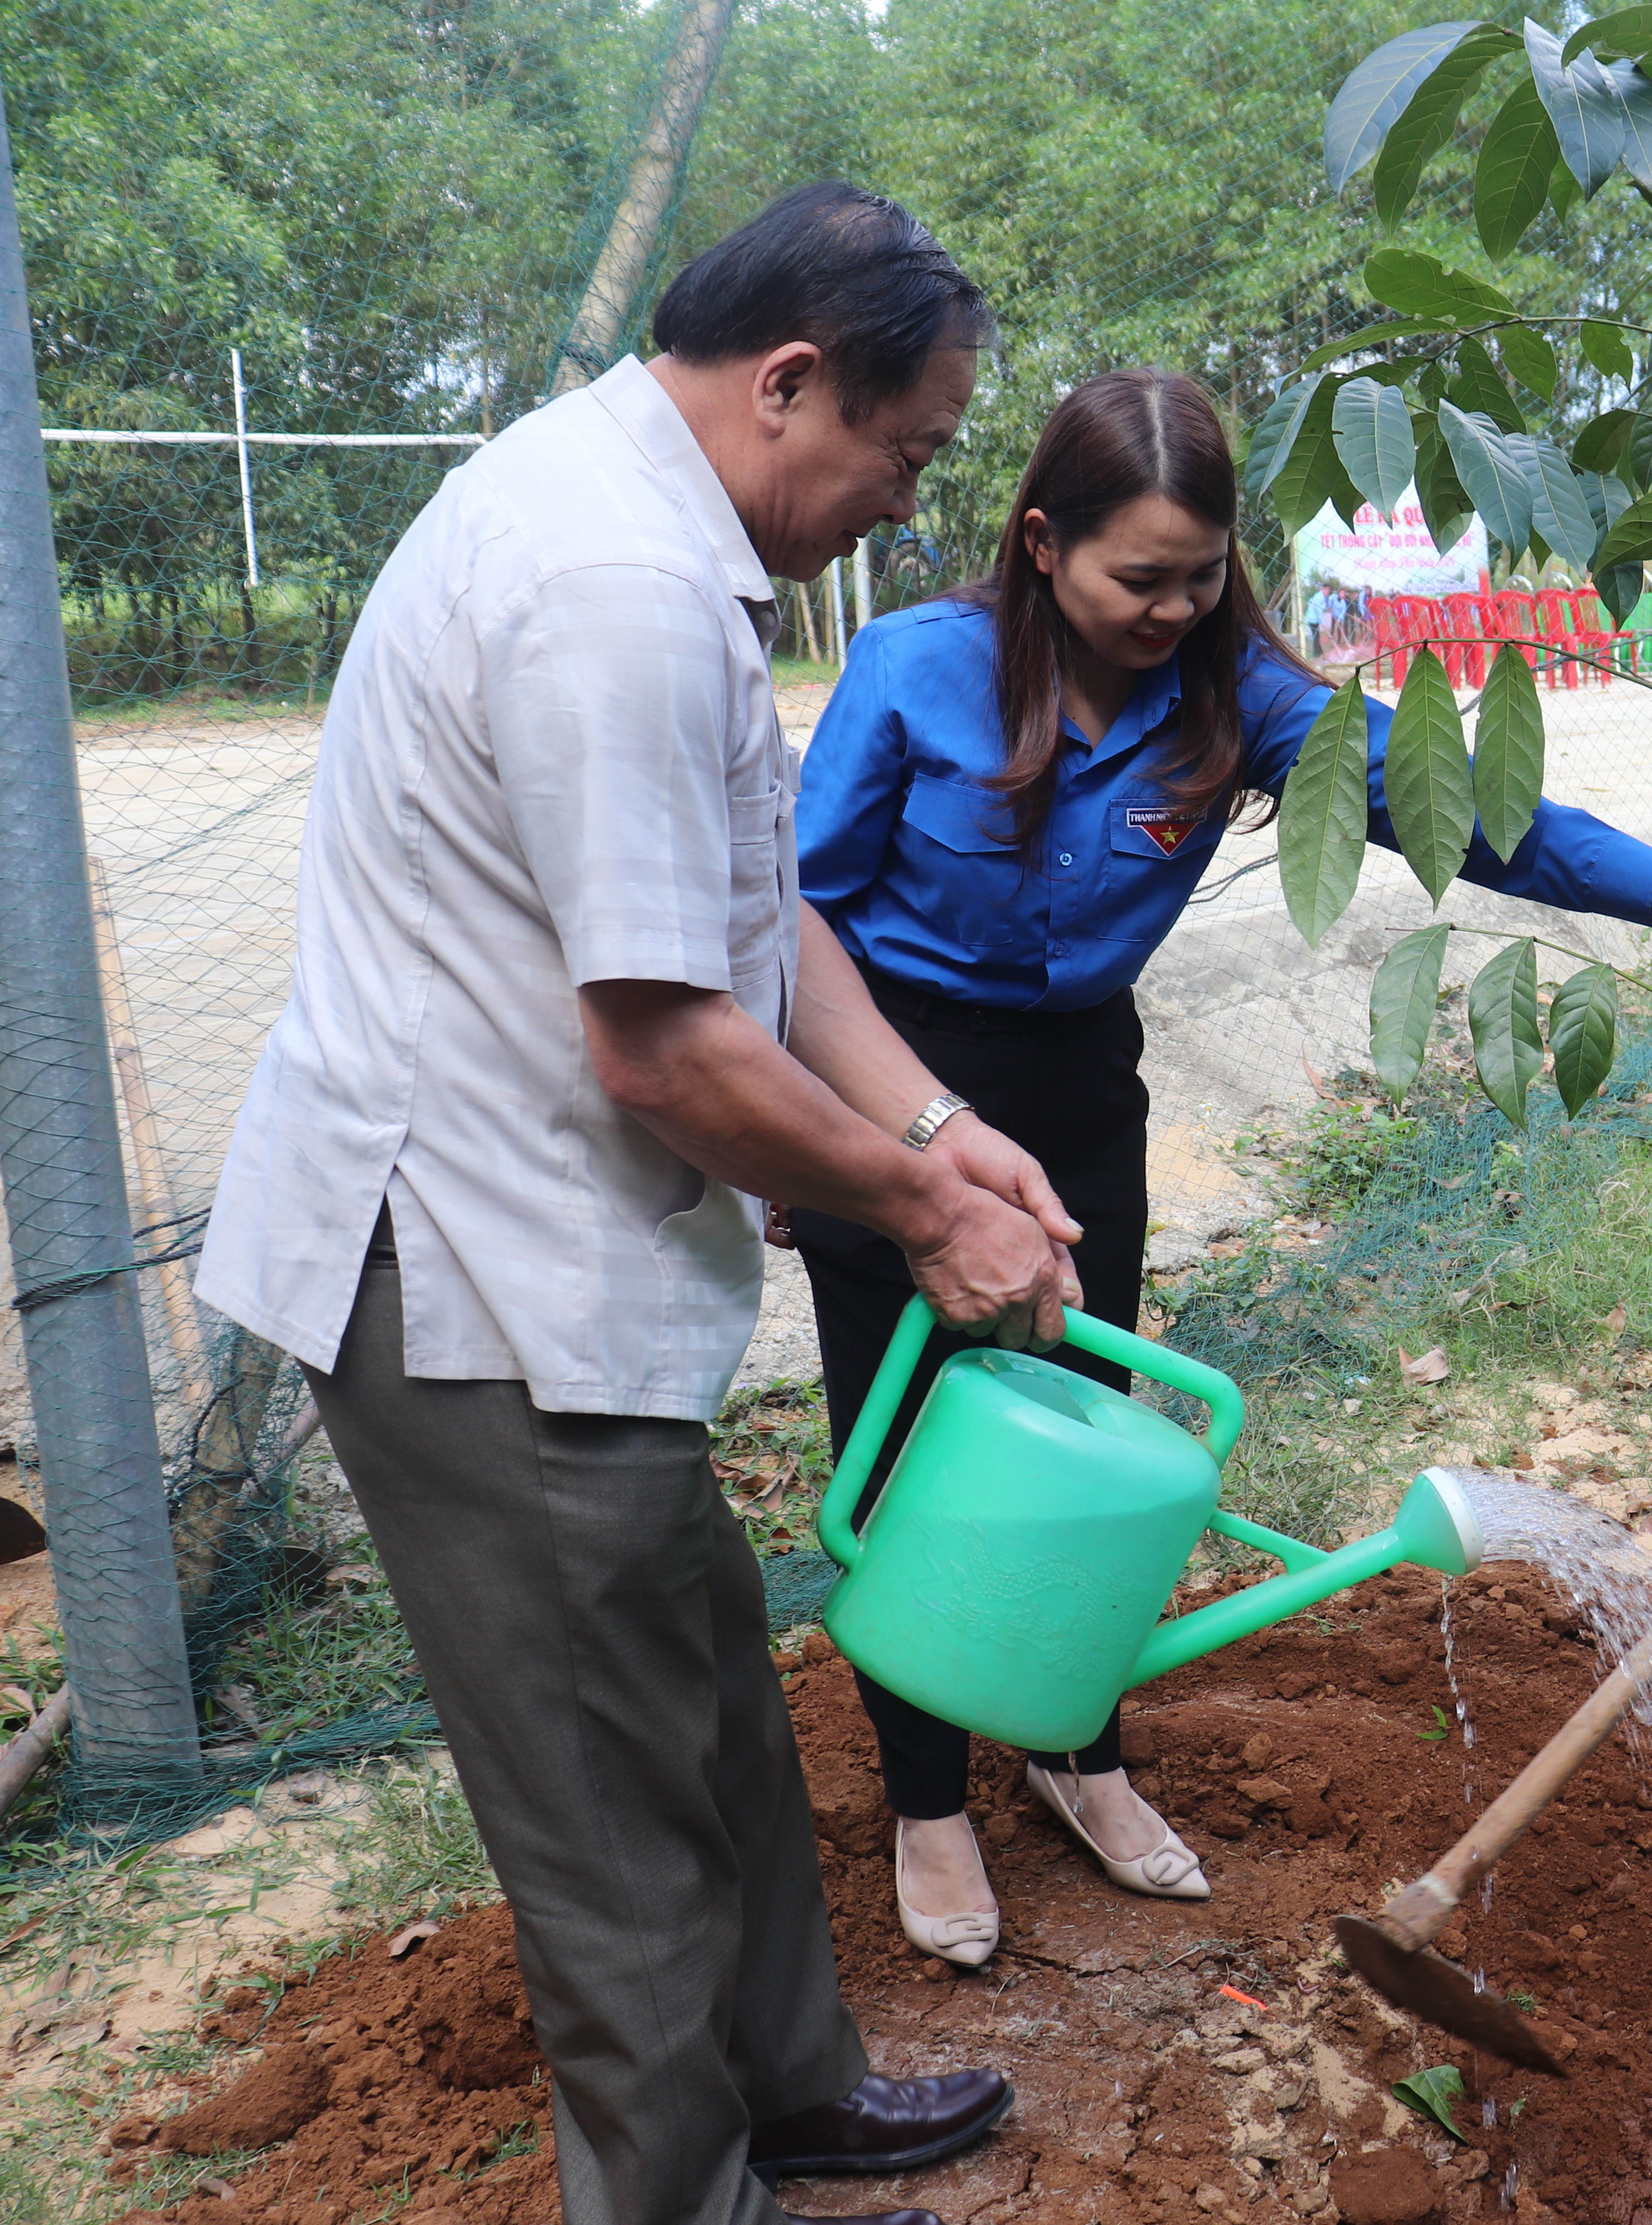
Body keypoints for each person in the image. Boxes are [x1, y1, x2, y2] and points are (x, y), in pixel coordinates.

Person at [200, 183, 1055, 2225]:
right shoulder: (610, 581)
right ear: (787, 385)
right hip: (479, 1296)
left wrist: (936, 1128)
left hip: (552, 1278)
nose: (899, 507)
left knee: (710, 1714)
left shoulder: (657, 530)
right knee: (618, 1837)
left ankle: (800, 2092)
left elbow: (758, 915)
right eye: (905, 455)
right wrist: (926, 1222)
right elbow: (666, 1048)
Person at [793, 366, 1652, 1968]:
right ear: (1042, 542)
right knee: (903, 1440)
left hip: (1073, 1094)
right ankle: (927, 1803)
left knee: (1082, 1440)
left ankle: (1074, 1751)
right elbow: (799, 909)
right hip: (889, 1078)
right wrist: (828, 1135)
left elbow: (1455, 811)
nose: (1176, 608)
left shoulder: (1241, 696)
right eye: (1141, 577)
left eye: (1204, 577)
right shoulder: (915, 669)